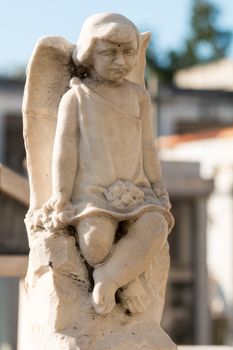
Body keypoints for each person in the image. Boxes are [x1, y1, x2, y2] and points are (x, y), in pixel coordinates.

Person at [42, 13, 174, 315]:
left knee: (155, 227)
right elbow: (65, 151)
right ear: (89, 55)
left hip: (135, 191)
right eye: (109, 52)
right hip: (92, 192)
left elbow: (147, 149)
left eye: (128, 52)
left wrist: (158, 186)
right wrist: (61, 196)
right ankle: (127, 280)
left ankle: (110, 277)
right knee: (94, 244)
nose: (120, 61)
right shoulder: (76, 97)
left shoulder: (138, 96)